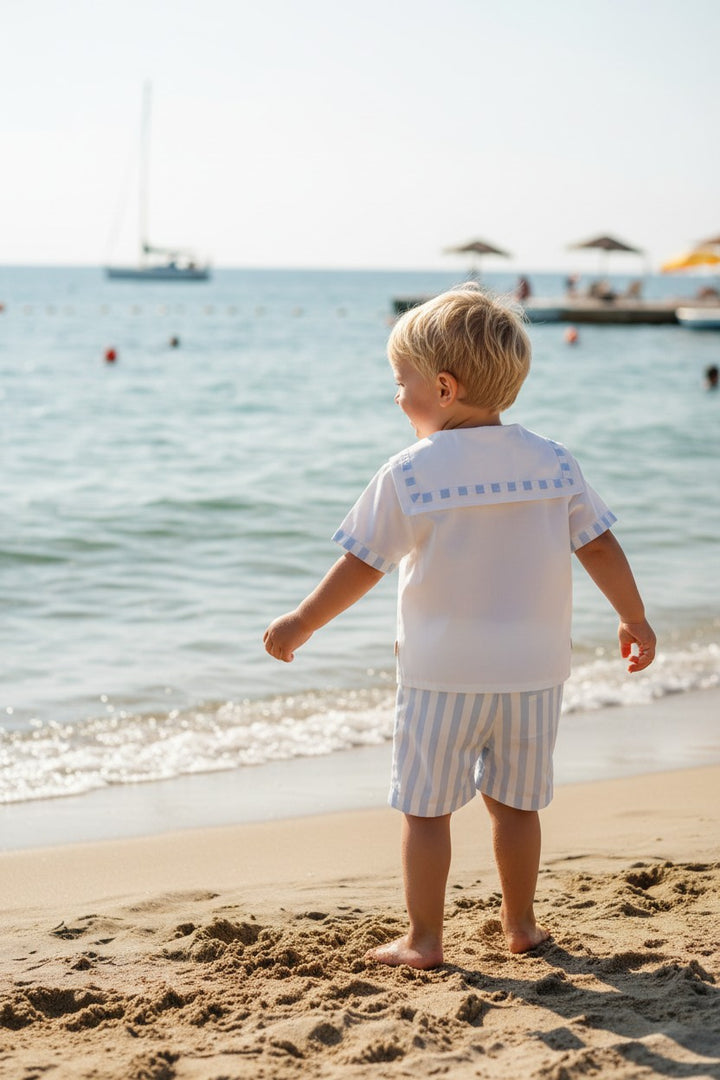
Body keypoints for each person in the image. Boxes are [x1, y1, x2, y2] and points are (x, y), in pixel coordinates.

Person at [264, 284, 656, 970]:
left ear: (443, 387)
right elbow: (596, 544)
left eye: (402, 381)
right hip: (534, 673)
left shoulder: (411, 472)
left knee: (426, 811)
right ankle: (522, 926)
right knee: (516, 808)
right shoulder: (553, 459)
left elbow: (363, 564)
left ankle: (423, 939)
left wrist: (301, 622)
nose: (396, 395)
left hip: (441, 676)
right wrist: (633, 617)